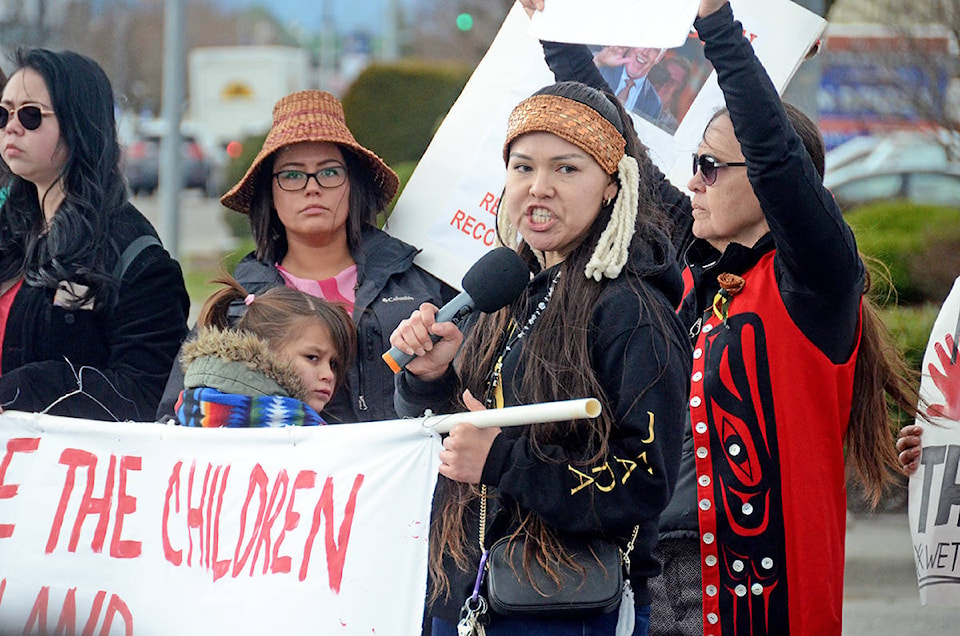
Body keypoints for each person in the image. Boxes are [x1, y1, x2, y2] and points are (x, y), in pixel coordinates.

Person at [520, 0, 922, 634]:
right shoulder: (691, 266)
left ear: (766, 185)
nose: (693, 182)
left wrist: (719, 24)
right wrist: (559, 35)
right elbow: (622, 145)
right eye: (694, 165)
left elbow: (775, 155)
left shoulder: (817, 285)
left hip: (761, 599)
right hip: (655, 578)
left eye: (709, 166)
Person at [389, 80, 691, 635]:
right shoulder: (504, 294)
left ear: (611, 186)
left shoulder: (634, 311)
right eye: (523, 167)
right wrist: (432, 383)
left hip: (570, 608)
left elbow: (645, 482)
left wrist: (503, 460)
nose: (539, 188)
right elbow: (455, 451)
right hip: (464, 591)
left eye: (567, 169)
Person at [157, 89, 455, 424]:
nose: (312, 187)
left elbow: (472, 400)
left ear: (353, 184)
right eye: (292, 175)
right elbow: (179, 420)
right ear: (269, 194)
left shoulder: (422, 286)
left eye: (329, 172)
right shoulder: (237, 305)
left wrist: (431, 377)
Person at [0, 48, 188, 421]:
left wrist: (30, 388)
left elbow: (145, 393)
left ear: (78, 124)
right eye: (3, 113)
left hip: (63, 471)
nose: (11, 127)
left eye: (31, 115)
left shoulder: (134, 254)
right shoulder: (11, 229)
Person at [175, 275, 356, 428]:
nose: (328, 375)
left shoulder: (189, 407)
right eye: (312, 357)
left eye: (333, 364)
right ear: (266, 352)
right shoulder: (298, 423)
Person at [594, 45, 666, 121]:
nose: (645, 52)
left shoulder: (654, 103)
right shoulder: (602, 65)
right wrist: (598, 61)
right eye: (643, 42)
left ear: (659, 58)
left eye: (654, 49)